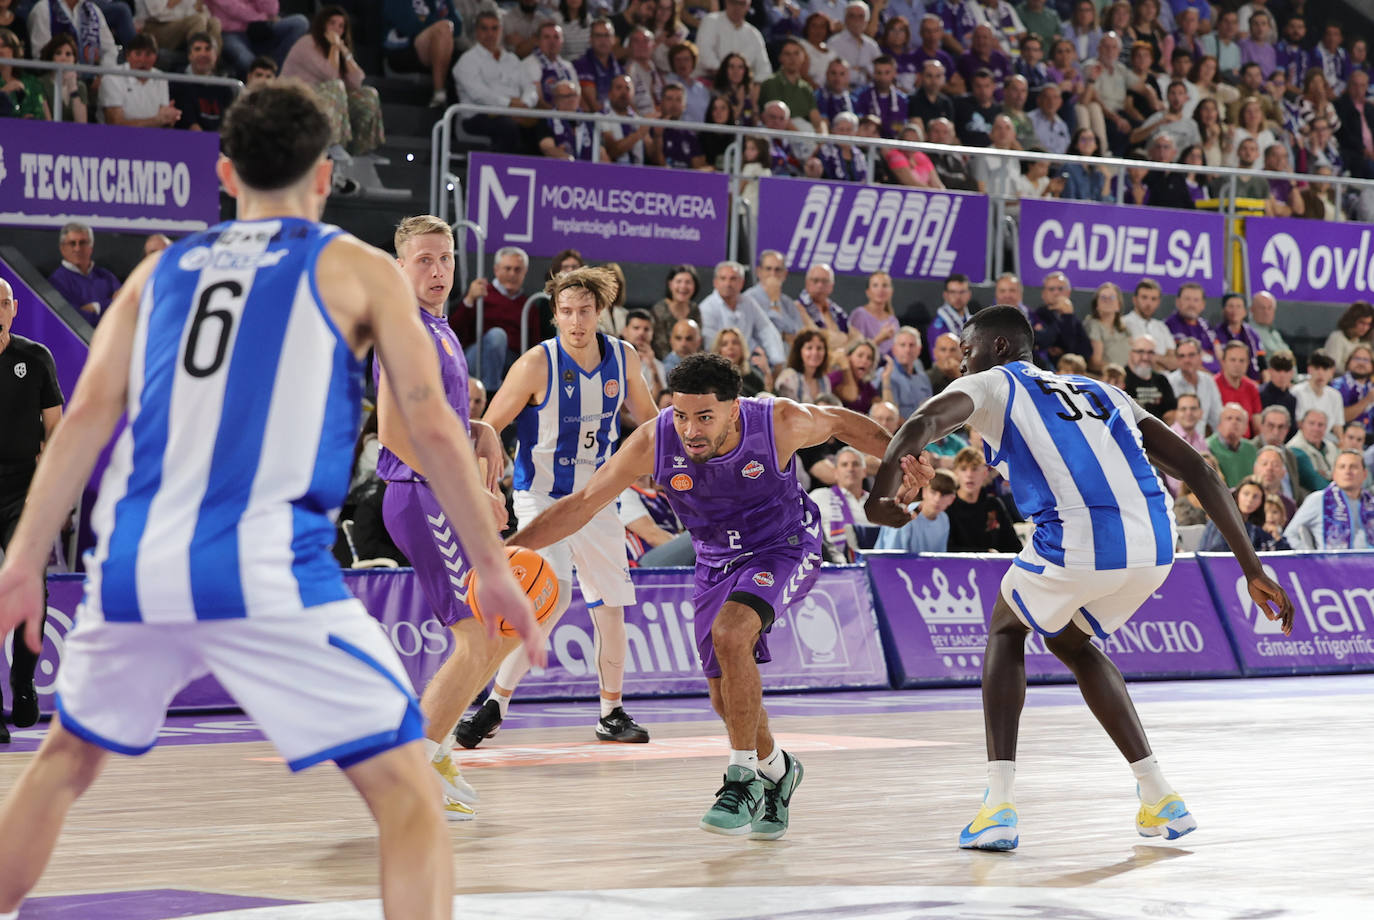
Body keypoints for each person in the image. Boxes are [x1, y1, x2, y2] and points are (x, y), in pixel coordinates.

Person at [0, 85, 543, 920]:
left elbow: (83, 422)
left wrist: (23, 561)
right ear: (326, 177)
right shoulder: (354, 267)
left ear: (225, 173)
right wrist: (488, 562)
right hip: (264, 569)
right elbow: (432, 427)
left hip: (139, 564)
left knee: (64, 765)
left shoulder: (159, 272)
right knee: (408, 796)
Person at [866, 304, 1293, 852]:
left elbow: (921, 423)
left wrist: (879, 500)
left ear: (997, 349)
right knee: (1070, 639)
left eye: (965, 352)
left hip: (1082, 539)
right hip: (1156, 544)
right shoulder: (1100, 390)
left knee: (1005, 628)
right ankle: (1160, 795)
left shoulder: (995, 382)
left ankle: (998, 806)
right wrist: (1251, 568)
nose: (958, 366)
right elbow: (1199, 468)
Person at [508, 353, 912, 838]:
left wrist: (906, 459)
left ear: (734, 409)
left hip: (784, 546)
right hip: (715, 560)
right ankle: (779, 771)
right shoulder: (654, 441)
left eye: (704, 417)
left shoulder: (779, 422)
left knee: (732, 631)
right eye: (681, 415)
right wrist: (506, 551)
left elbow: (845, 423)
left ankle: (740, 778)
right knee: (725, 699)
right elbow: (583, 503)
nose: (690, 430)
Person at [455, 266, 658, 750]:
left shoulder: (623, 358)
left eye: (584, 311)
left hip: (599, 497)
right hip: (541, 496)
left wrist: (681, 468)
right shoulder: (535, 364)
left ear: (599, 312)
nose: (576, 321)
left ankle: (611, 712)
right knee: (551, 596)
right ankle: (494, 705)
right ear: (554, 315)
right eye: (566, 312)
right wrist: (484, 489)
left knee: (611, 606)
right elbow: (488, 428)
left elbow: (651, 424)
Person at [373, 215, 516, 820]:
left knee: (496, 631)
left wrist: (480, 430)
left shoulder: (442, 329)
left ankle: (427, 754)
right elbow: (393, 432)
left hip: (439, 491)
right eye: (424, 260)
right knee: (478, 633)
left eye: (446, 259)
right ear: (400, 266)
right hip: (420, 492)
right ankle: (415, 764)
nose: (438, 271)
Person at [0, 278, 63, 744]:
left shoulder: (35, 357)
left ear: (13, 308)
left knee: (29, 587)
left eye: (1, 303)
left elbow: (56, 431)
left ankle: (22, 685)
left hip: (22, 488)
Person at [281, 8, 385, 159]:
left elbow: (357, 81)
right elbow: (330, 75)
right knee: (335, 87)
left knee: (368, 95)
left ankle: (361, 150)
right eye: (332, 24)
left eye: (341, 26)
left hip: (328, 100)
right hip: (298, 100)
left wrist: (344, 51)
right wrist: (336, 47)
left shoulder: (337, 50)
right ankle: (332, 145)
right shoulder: (307, 43)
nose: (336, 29)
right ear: (322, 25)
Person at [451, 246, 535, 392]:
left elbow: (534, 344)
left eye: (517, 269)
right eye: (507, 268)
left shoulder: (529, 305)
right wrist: (470, 299)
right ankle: (490, 394)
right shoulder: (480, 293)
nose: (512, 274)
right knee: (497, 336)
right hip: (476, 356)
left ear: (525, 272)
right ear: (496, 270)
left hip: (509, 362)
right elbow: (454, 329)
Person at [454, 11, 537, 152]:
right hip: (478, 116)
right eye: (484, 28)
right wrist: (509, 105)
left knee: (542, 128)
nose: (490, 33)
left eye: (495, 28)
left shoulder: (513, 59)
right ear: (476, 32)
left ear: (501, 31)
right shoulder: (467, 61)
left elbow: (530, 88)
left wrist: (524, 104)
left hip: (517, 112)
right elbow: (479, 95)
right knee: (508, 127)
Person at [699, 261, 787, 368]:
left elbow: (766, 329)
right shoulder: (706, 308)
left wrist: (777, 361)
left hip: (747, 363)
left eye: (733, 279)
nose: (728, 284)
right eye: (723, 279)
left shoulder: (748, 302)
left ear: (741, 282)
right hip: (719, 366)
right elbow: (711, 346)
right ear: (715, 282)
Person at [1284, 451, 1374, 550]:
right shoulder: (1318, 499)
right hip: (1332, 564)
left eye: (1353, 467)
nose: (1347, 471)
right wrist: (1311, 559)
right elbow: (1290, 534)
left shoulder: (1371, 502)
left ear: (1365, 474)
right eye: (1342, 467)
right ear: (1334, 474)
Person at [381, 0, 460, 107]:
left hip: (434, 46)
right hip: (402, 49)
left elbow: (458, 25)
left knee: (447, 32)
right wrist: (436, 27)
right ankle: (439, 94)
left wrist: (431, 24)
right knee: (443, 29)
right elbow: (410, 26)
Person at [944, 446, 1021, 553]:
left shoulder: (994, 504)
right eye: (963, 469)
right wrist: (985, 554)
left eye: (974, 469)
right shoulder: (946, 505)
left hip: (994, 568)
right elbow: (945, 550)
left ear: (984, 473)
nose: (969, 475)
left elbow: (1014, 547)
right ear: (956, 474)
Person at [204, 0, 309, 77]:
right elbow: (233, 8)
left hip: (260, 28)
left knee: (300, 22)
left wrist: (264, 17)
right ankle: (264, 78)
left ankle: (273, 72)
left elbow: (272, 10)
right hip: (230, 32)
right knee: (248, 63)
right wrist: (262, 17)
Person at [98, 32, 180, 128]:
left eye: (148, 54)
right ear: (128, 56)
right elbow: (116, 124)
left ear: (155, 57)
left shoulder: (160, 77)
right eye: (138, 54)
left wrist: (170, 118)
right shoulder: (112, 78)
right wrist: (157, 120)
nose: (143, 60)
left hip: (152, 137)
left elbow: (164, 121)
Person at [47, 222, 121, 326]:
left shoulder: (106, 276)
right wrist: (109, 306)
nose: (77, 248)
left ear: (91, 247)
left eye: (82, 243)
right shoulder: (56, 282)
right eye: (72, 243)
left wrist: (96, 307)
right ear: (62, 248)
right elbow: (74, 320)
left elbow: (124, 306)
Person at [809, 445, 870, 559]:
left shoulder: (875, 502)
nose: (850, 469)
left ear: (864, 472)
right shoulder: (820, 496)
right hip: (833, 565)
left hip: (872, 562)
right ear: (836, 472)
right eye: (844, 465)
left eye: (855, 464)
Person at [875, 469, 957, 552]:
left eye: (944, 495)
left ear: (952, 499)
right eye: (933, 492)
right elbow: (892, 557)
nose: (937, 499)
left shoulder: (944, 519)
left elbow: (940, 557)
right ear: (924, 492)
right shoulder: (904, 515)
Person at [172, 31, 237, 133]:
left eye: (208, 49)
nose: (203, 54)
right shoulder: (176, 82)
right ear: (189, 55)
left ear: (216, 55)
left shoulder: (225, 87)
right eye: (197, 49)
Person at [1122, 279, 1177, 372]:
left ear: (1158, 302)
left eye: (1153, 299)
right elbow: (1126, 359)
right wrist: (1161, 361)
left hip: (1164, 380)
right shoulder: (1123, 324)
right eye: (1144, 297)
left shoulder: (1162, 327)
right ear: (1135, 300)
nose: (1148, 303)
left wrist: (1155, 358)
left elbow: (1174, 363)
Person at [1293, 349, 1344, 442]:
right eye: (1317, 368)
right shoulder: (1296, 392)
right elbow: (1298, 424)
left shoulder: (1335, 396)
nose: (1320, 373)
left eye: (1325, 369)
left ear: (1332, 372)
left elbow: (1338, 427)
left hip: (1327, 441)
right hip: (1301, 441)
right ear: (1309, 369)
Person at [1214, 340, 1262, 436]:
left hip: (1246, 444)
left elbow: (1258, 426)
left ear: (1247, 363)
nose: (1237, 364)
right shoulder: (1213, 385)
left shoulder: (1252, 387)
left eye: (1242, 361)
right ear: (1223, 362)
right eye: (1233, 360)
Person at [1123, 336, 1177, 423]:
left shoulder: (1161, 380)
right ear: (1131, 353)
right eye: (1140, 351)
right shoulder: (1120, 378)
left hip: (1158, 431)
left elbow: (1171, 413)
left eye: (1150, 352)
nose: (1145, 357)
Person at [773, 329, 833, 404]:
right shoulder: (789, 376)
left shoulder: (824, 380)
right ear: (799, 351)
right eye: (809, 348)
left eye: (819, 348)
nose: (815, 353)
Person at [1207, 402, 1259, 487]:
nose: (1234, 422)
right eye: (1229, 418)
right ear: (1219, 425)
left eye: (1238, 419)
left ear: (1246, 428)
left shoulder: (1252, 449)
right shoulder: (1208, 446)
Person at [888, 326, 932, 419]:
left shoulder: (924, 378)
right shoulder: (886, 376)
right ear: (894, 349)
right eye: (902, 345)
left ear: (919, 349)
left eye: (912, 345)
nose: (907, 350)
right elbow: (889, 415)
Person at [1287, 408, 1338, 482]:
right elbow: (1314, 480)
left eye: (1320, 425)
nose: (1316, 428)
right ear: (1302, 425)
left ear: (1326, 428)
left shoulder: (1331, 446)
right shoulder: (1294, 448)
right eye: (1311, 423)